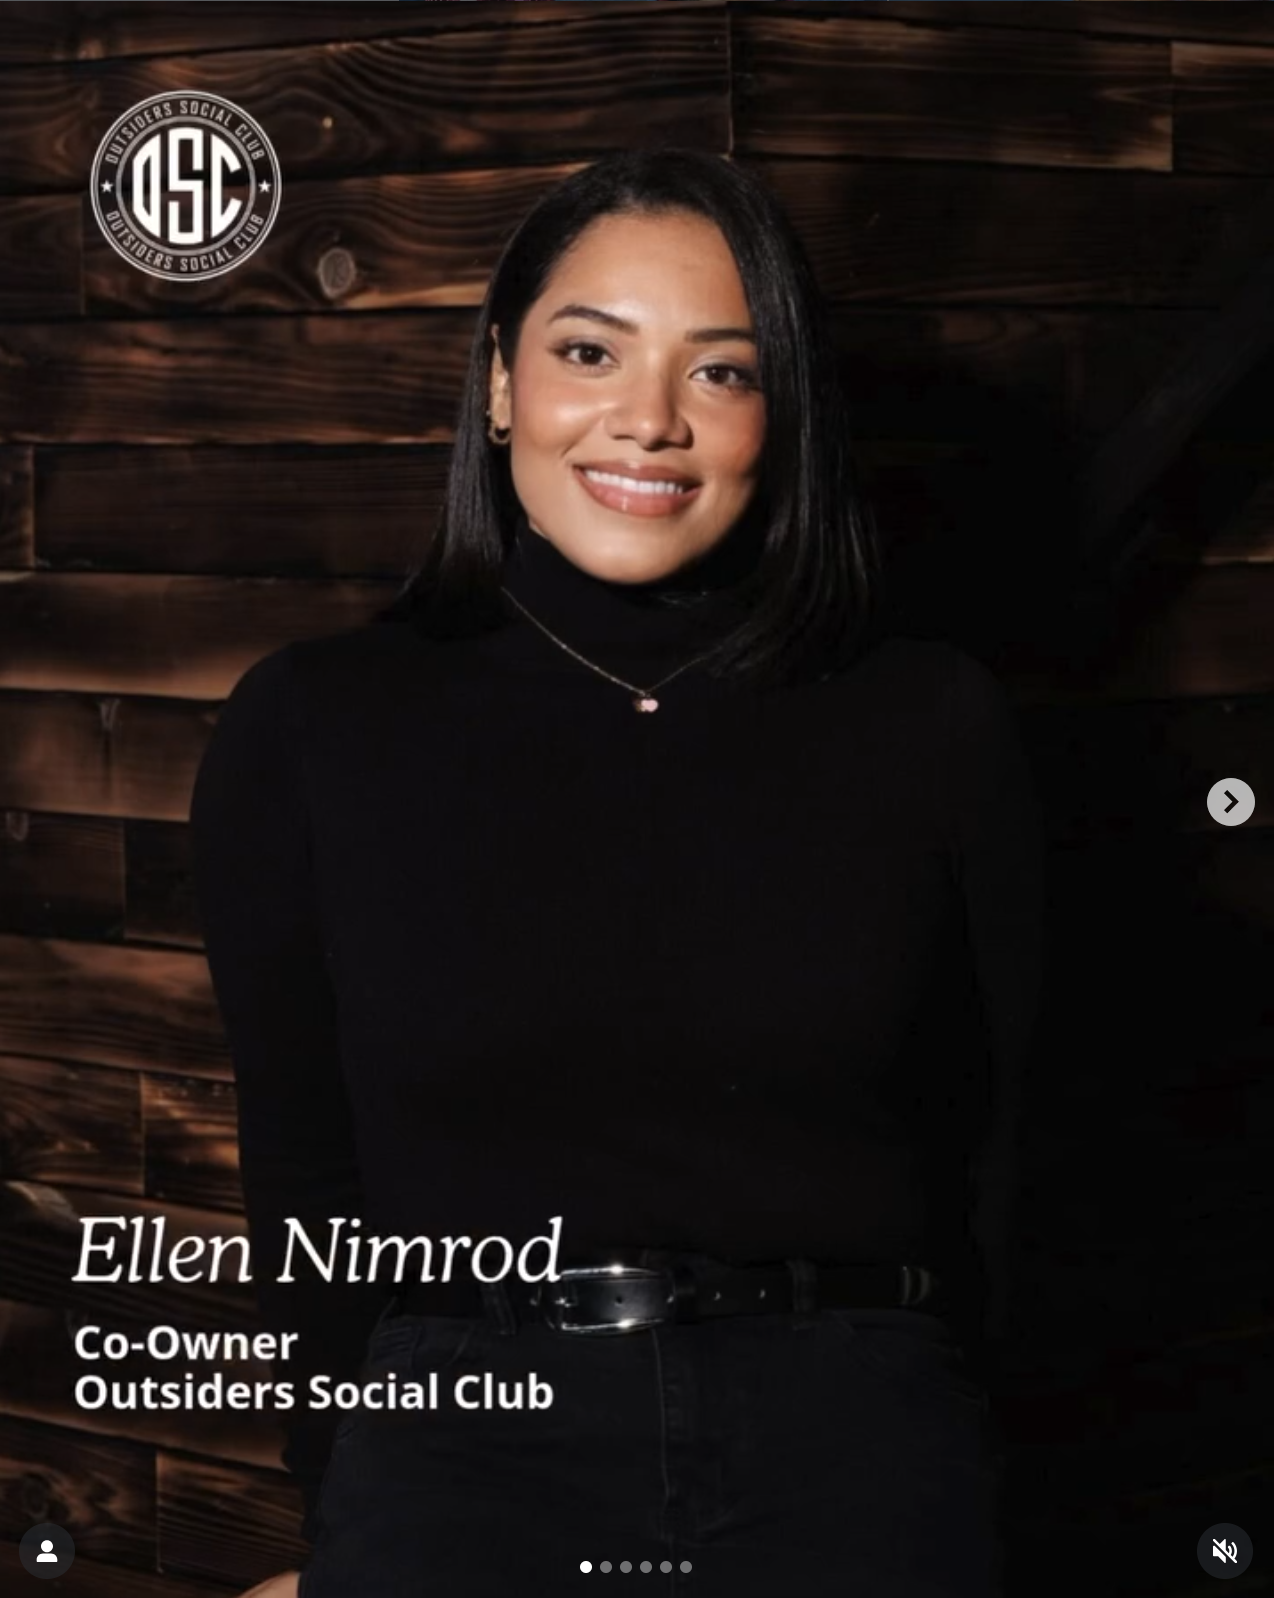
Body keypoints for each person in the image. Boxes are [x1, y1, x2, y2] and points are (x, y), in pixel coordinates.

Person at [190, 148, 1043, 1598]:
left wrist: (966, 1466)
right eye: (589, 351)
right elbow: (306, 1170)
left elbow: (1011, 1152)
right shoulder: (316, 720)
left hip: (854, 1443)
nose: (647, 421)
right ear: (502, 384)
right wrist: (346, 1499)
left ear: (782, 417)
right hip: (461, 1441)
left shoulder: (930, 719)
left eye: (722, 373)